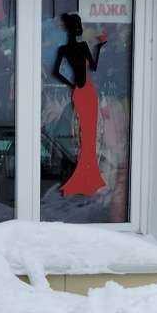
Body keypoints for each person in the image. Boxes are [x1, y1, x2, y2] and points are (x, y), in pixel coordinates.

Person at [49, 12, 108, 197]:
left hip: (83, 91)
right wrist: (98, 47)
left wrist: (71, 84)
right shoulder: (78, 47)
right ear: (75, 29)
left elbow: (57, 73)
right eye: (78, 26)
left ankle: (87, 178)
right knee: (86, 136)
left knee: (87, 135)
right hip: (85, 91)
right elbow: (93, 67)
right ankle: (85, 179)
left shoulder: (66, 49)